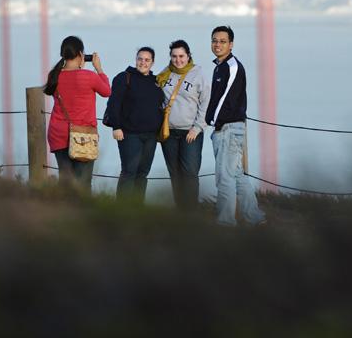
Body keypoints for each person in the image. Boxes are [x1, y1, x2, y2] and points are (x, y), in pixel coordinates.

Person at [205, 25, 266, 227]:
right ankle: (256, 218)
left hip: (228, 129)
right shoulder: (219, 67)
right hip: (227, 129)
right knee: (237, 175)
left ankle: (226, 224)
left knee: (225, 179)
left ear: (231, 44)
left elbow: (224, 99)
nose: (217, 44)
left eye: (223, 41)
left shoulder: (232, 67)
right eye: (215, 40)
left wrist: (211, 120)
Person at [43, 35, 111, 190]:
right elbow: (107, 92)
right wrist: (99, 69)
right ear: (81, 54)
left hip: (58, 134)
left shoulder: (54, 75)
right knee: (83, 183)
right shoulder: (89, 76)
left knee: (66, 181)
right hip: (83, 136)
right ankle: (81, 213)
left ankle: (64, 211)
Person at [105, 47, 164, 204]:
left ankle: (137, 210)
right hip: (129, 134)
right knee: (129, 172)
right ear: (136, 59)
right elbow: (113, 103)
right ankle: (123, 210)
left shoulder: (156, 81)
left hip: (151, 135)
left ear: (152, 62)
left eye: (146, 60)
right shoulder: (124, 77)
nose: (142, 62)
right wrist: (116, 127)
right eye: (140, 59)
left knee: (142, 174)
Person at [156, 39, 210, 211]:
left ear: (188, 56)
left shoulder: (198, 75)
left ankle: (191, 212)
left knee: (189, 174)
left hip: (190, 132)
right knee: (175, 173)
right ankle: (181, 212)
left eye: (181, 56)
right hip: (168, 132)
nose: (178, 60)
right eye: (174, 56)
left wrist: (197, 128)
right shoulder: (166, 73)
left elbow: (206, 104)